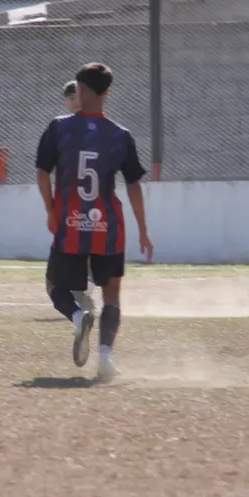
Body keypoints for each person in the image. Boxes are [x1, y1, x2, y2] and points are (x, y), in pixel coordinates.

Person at [35, 63, 153, 382]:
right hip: (108, 228)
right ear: (108, 93)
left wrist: (50, 209)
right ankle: (104, 358)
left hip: (70, 224)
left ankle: (77, 316)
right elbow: (133, 184)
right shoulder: (120, 135)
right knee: (111, 294)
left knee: (55, 286)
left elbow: (43, 172)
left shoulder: (58, 128)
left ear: (81, 91)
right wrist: (143, 229)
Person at [59, 79, 96, 316]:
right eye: (69, 98)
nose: (74, 102)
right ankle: (81, 293)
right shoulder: (63, 128)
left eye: (77, 97)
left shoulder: (96, 124)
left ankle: (85, 291)